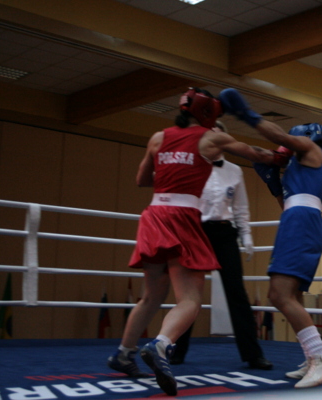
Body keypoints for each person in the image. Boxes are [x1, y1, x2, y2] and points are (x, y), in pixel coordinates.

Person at [106, 88, 273, 396]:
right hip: (184, 218)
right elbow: (257, 154)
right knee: (191, 299)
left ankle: (123, 354)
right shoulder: (210, 137)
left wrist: (174, 173)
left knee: (151, 296)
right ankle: (160, 345)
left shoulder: (158, 137)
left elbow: (142, 180)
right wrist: (287, 154)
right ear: (208, 113)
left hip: (154, 215)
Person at [219, 88, 322, 389]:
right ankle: (313, 358)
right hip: (297, 220)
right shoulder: (304, 168)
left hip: (301, 223)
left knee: (279, 294)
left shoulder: (311, 149)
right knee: (292, 295)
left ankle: (321, 359)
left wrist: (246, 114)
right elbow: (287, 203)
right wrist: (274, 184)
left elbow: (276, 136)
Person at [170, 121, 272, 370]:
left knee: (237, 293)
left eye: (218, 134)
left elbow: (241, 207)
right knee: (189, 295)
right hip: (196, 231)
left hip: (225, 233)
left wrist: (246, 236)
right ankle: (176, 350)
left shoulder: (235, 171)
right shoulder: (191, 165)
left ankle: (253, 354)